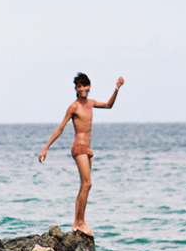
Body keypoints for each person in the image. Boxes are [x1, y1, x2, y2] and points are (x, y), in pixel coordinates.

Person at [38, 72, 124, 237]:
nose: (82, 88)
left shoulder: (91, 103)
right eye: (79, 86)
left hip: (88, 149)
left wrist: (116, 89)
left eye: (84, 85)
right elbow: (61, 128)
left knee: (84, 186)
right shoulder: (74, 106)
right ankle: (80, 222)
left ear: (89, 86)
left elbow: (108, 105)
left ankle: (77, 223)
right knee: (87, 184)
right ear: (76, 89)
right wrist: (46, 147)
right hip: (79, 147)